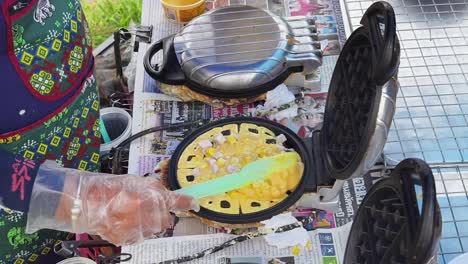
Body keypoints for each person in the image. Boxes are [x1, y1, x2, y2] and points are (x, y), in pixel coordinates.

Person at [0, 0, 197, 263]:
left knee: (74, 238)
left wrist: (85, 194)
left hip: (68, 122)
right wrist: (86, 199)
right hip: (13, 199)